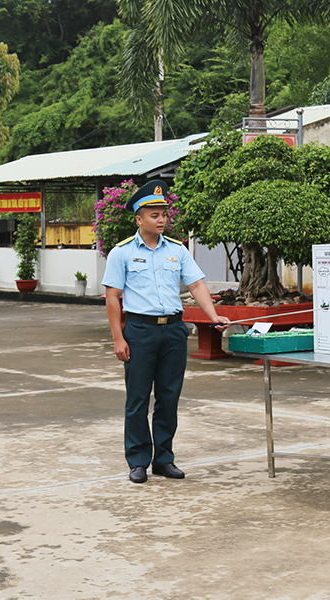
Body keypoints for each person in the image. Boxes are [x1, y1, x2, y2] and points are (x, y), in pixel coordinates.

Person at [101, 180, 230, 484]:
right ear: (139, 218)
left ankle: (164, 459)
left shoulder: (177, 250)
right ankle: (137, 460)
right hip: (140, 331)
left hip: (173, 331)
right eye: (154, 215)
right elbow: (112, 296)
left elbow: (197, 284)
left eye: (163, 214)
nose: (161, 220)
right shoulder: (121, 253)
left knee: (169, 398)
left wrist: (213, 316)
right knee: (137, 399)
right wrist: (118, 338)